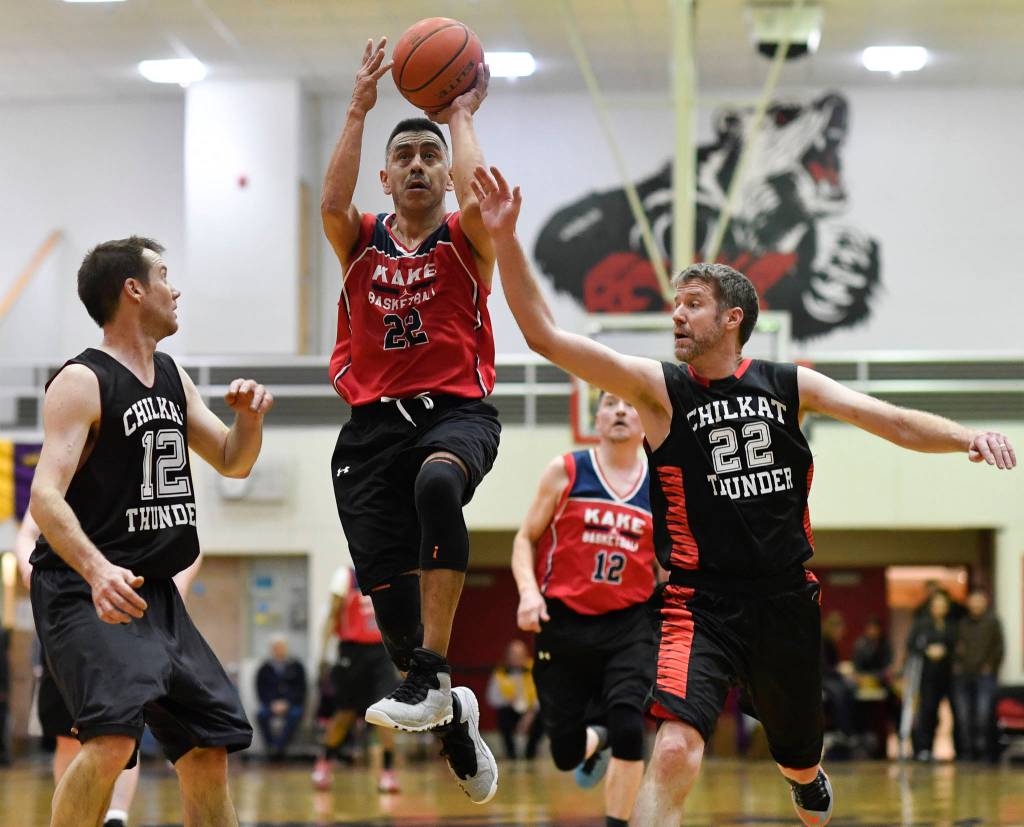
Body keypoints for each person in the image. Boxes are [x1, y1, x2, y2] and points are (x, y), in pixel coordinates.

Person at [469, 163, 1016, 826]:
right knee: (673, 748)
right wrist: (504, 240)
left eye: (692, 303)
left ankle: (803, 772)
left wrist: (967, 436)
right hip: (700, 601)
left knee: (797, 754)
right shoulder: (658, 390)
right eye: (676, 302)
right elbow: (546, 337)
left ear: (731, 318)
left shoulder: (789, 384)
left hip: (785, 599)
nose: (676, 313)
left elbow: (889, 418)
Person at [28, 235, 272, 827]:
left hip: (154, 593)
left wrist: (249, 420)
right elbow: (43, 495)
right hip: (87, 589)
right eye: (165, 274)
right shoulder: (82, 381)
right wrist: (96, 568)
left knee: (207, 746)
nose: (176, 287)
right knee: (111, 740)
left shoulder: (170, 375)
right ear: (134, 290)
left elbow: (234, 460)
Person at [320, 37, 499, 803]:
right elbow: (331, 203)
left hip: (455, 414)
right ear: (387, 177)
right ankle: (451, 710)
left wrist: (457, 115)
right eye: (408, 157)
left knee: (437, 487)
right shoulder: (360, 240)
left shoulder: (466, 240)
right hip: (369, 432)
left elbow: (481, 194)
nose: (422, 164)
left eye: (433, 154)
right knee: (394, 620)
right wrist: (360, 107)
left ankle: (431, 676)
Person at [512, 392, 657, 827]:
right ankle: (595, 738)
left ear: (645, 421)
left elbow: (668, 564)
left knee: (632, 730)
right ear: (594, 418)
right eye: (610, 403)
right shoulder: (567, 471)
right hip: (564, 623)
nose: (619, 411)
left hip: (628, 623)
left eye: (630, 405)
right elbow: (525, 539)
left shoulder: (661, 485)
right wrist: (528, 592)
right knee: (565, 754)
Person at [16, 511, 203, 827]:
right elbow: (26, 534)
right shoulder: (62, 474)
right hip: (66, 615)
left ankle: (116, 817)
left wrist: (176, 589)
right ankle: (79, 818)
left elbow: (191, 540)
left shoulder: (135, 481)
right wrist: (30, 572)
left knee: (123, 727)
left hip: (125, 611)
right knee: (67, 732)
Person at [313, 566, 401, 793]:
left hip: (381, 652)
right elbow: (333, 614)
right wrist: (323, 654)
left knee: (386, 714)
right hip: (351, 652)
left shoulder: (387, 575)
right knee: (345, 713)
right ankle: (324, 763)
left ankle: (388, 773)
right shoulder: (345, 576)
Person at [952, 588, 1003, 761]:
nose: (976, 604)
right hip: (963, 676)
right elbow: (956, 647)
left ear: (985, 602)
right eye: (973, 600)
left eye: (979, 600)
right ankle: (967, 752)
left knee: (984, 714)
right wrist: (957, 665)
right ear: (968, 603)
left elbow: (999, 647)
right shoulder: (962, 623)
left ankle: (985, 752)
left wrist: (991, 665)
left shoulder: (992, 622)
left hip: (985, 676)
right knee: (964, 716)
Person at [907, 591, 958, 761]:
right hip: (928, 675)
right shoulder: (922, 624)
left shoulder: (952, 625)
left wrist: (946, 651)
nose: (940, 609)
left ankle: (961, 749)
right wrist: (927, 651)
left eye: (943, 605)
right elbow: (912, 645)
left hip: (949, 675)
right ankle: (923, 749)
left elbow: (958, 647)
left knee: (957, 712)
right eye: (936, 605)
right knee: (928, 712)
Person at [486, 640, 544, 762]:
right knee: (503, 715)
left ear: (526, 655)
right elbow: (491, 698)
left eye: (520, 654)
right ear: (507, 656)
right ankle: (511, 754)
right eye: (513, 654)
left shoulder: (535, 669)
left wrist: (530, 713)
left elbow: (543, 695)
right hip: (510, 711)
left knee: (543, 716)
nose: (516, 658)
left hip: (531, 711)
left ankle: (530, 753)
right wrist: (507, 700)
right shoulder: (499, 673)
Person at [255, 637, 307, 761]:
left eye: (281, 647)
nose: (279, 650)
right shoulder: (264, 668)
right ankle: (271, 746)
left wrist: (287, 703)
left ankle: (278, 747)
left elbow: (301, 689)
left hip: (291, 704)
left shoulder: (296, 666)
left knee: (295, 714)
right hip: (270, 704)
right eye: (276, 647)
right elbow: (260, 689)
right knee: (261, 715)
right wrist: (272, 703)